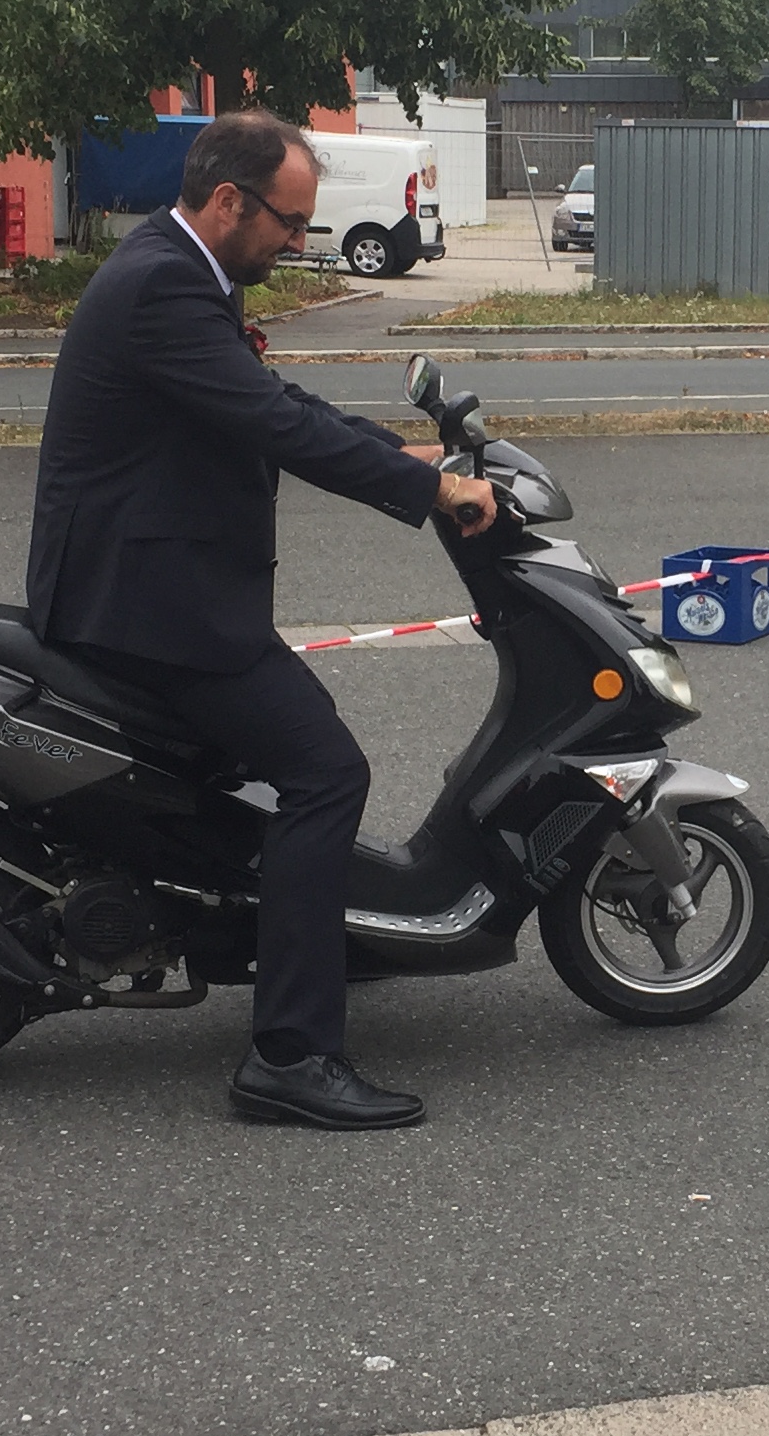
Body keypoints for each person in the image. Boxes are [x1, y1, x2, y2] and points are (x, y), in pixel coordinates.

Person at [26, 111, 494, 1129]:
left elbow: (267, 399)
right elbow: (272, 421)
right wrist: (430, 493)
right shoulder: (163, 286)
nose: (299, 240)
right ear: (230, 201)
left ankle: (295, 935)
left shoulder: (187, 270)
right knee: (327, 772)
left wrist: (403, 456)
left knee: (260, 774)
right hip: (150, 608)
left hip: (154, 587)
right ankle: (290, 1054)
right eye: (289, 221)